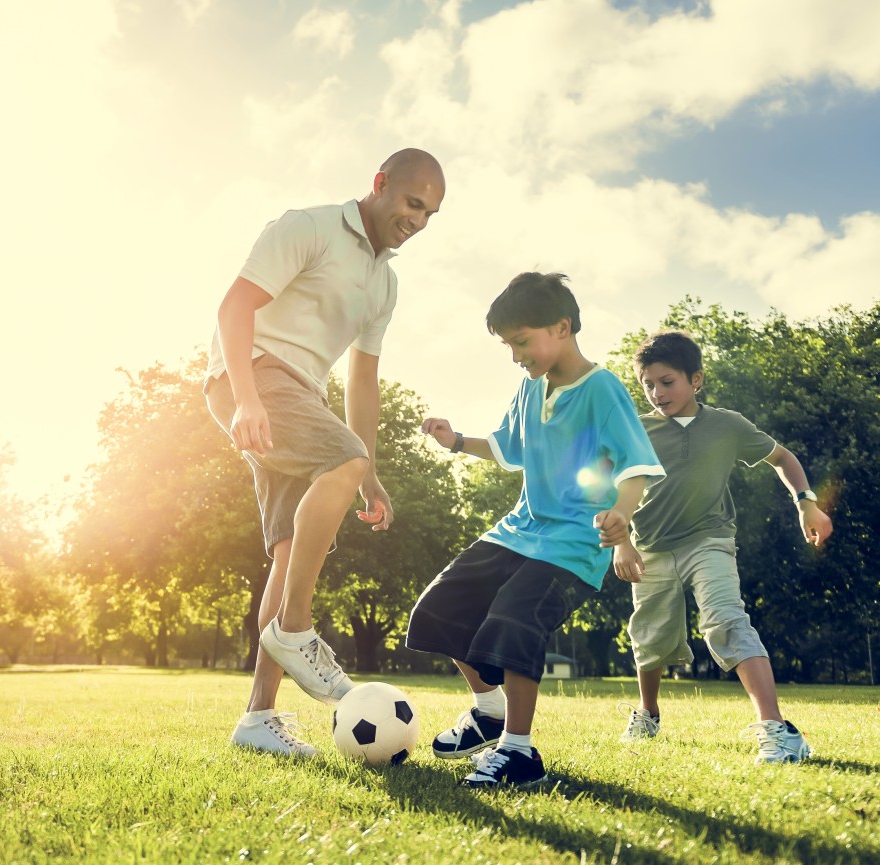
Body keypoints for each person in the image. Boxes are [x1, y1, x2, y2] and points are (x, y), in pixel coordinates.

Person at [204, 149, 446, 756]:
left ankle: (258, 719)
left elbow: (362, 381)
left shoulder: (385, 284)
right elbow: (234, 307)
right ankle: (294, 628)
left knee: (290, 550)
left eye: (430, 214)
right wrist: (247, 398)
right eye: (413, 203)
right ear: (380, 183)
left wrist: (369, 473)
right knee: (342, 460)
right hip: (254, 373)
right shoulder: (308, 227)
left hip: (303, 396)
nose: (418, 221)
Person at [406, 272, 666, 789]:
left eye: (521, 342)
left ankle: (518, 751)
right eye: (508, 345)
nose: (515, 355)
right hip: (519, 530)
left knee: (514, 618)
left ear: (561, 328)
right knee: (440, 606)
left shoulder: (602, 389)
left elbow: (635, 465)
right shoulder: (530, 387)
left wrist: (622, 513)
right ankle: (490, 710)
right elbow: (509, 447)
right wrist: (455, 441)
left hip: (572, 543)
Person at [613, 330, 833, 764]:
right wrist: (621, 543)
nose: (657, 393)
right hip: (650, 547)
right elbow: (614, 489)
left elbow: (783, 458)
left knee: (726, 621)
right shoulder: (637, 430)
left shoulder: (727, 425)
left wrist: (806, 503)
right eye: (648, 384)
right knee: (651, 636)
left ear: (696, 379)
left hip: (708, 540)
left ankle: (777, 730)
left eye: (667, 382)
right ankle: (648, 713)